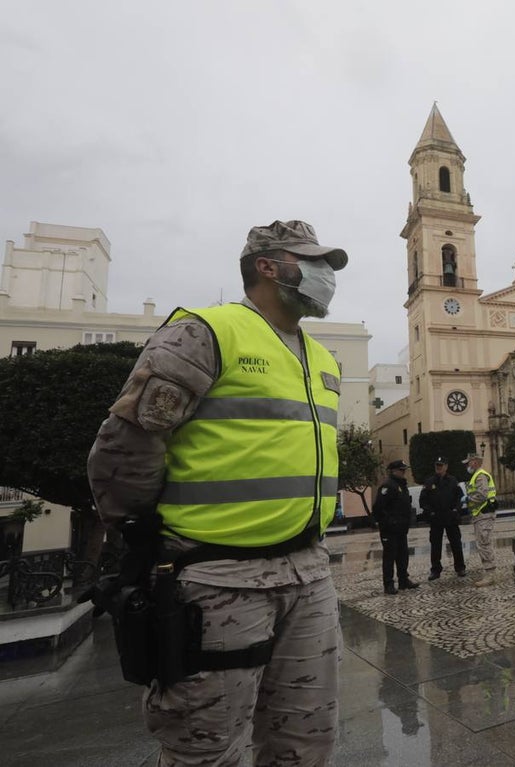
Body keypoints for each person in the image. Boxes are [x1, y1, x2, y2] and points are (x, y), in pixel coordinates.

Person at [86, 219, 347, 765]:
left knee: (307, 743)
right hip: (218, 578)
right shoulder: (205, 332)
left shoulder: (322, 358)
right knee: (205, 750)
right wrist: (145, 539)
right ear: (267, 267)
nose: (326, 275)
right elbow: (125, 446)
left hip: (310, 573)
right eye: (313, 262)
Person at [374, 459, 419, 594]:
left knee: (403, 555)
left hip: (401, 528)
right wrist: (390, 522)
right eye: (401, 470)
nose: (403, 472)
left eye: (404, 470)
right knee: (389, 557)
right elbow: (379, 508)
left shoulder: (401, 485)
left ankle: (403, 580)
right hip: (390, 529)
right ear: (394, 471)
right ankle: (388, 584)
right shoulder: (388, 486)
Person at [421, 456, 466, 579]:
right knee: (435, 545)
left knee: (456, 543)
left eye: (441, 465)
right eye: (437, 465)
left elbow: (460, 497)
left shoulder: (453, 481)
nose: (438, 468)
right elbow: (423, 500)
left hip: (450, 517)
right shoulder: (429, 482)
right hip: (436, 518)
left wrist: (456, 510)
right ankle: (435, 570)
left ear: (446, 467)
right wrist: (430, 512)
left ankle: (460, 567)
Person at [463, 452, 498, 586]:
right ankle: (490, 572)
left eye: (469, 462)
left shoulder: (480, 475)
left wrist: (468, 499)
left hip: (484, 513)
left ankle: (490, 574)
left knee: (484, 543)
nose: (467, 465)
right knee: (483, 542)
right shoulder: (477, 475)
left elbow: (482, 495)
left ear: (475, 462)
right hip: (481, 514)